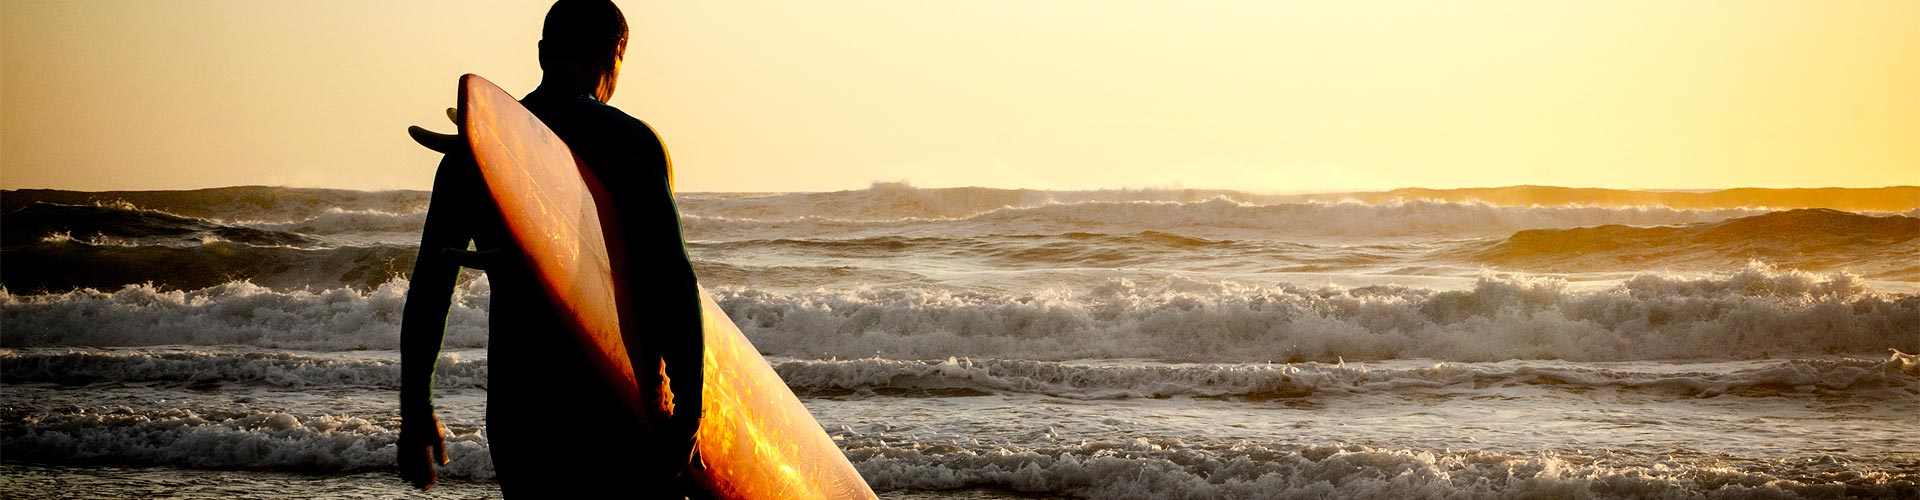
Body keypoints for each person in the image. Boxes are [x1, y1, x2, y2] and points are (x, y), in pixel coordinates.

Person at [395, 0, 704, 496]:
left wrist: (416, 410)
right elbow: (673, 281)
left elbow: (431, 288)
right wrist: (691, 408)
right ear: (616, 54)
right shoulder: (630, 143)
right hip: (616, 404)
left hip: (522, 411)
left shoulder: (471, 155)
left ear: (541, 53)